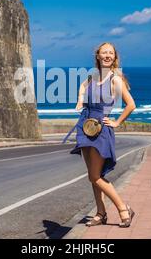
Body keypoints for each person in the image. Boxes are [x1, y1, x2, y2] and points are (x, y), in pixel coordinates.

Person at [62, 42, 137, 228]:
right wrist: (80, 100)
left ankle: (123, 209)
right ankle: (100, 213)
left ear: (114, 57)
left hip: (101, 129)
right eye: (104, 52)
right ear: (98, 55)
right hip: (85, 126)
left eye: (110, 53)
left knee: (95, 176)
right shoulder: (92, 77)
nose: (107, 55)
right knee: (92, 175)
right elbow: (82, 86)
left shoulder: (115, 79)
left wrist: (117, 122)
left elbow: (131, 104)